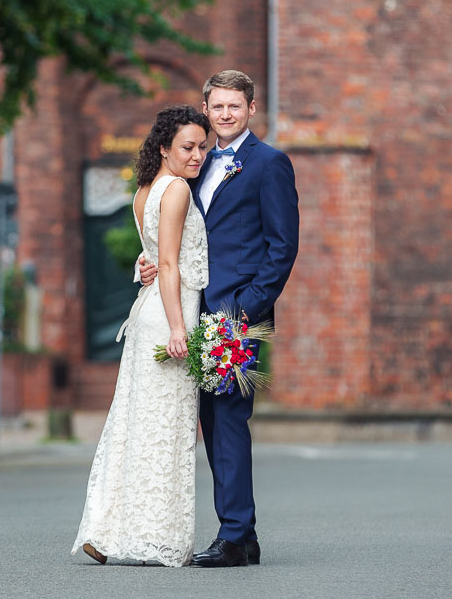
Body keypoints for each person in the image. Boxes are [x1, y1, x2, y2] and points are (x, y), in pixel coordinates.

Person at [139, 70, 299, 567]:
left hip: (237, 316)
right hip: (191, 308)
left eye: (235, 106)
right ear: (205, 109)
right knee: (210, 421)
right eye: (217, 107)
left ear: (251, 109)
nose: (225, 114)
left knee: (229, 420)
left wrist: (245, 310)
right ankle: (241, 533)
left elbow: (282, 247)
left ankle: (234, 536)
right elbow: (177, 236)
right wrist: (146, 261)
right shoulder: (196, 163)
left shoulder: (270, 164)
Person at [72, 105, 211, 567]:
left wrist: (146, 270)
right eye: (188, 147)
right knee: (167, 430)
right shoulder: (178, 193)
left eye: (202, 147)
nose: (197, 156)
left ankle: (105, 529)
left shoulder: (145, 191)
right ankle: (157, 537)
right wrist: (178, 328)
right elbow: (168, 263)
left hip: (147, 310)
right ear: (164, 148)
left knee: (134, 426)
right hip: (169, 314)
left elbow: (150, 257)